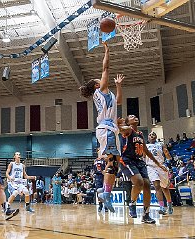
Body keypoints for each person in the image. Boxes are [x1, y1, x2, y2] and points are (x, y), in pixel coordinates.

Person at [79, 42, 124, 212]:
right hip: (106, 128)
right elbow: (105, 69)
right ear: (97, 85)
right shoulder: (101, 91)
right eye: (99, 80)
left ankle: (105, 191)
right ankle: (105, 193)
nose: (102, 79)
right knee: (112, 162)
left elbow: (119, 101)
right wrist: (107, 51)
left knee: (115, 163)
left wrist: (119, 85)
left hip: (111, 129)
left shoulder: (108, 94)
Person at [118, 115, 167, 223]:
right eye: (131, 116)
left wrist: (158, 163)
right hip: (127, 160)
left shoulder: (140, 134)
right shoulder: (128, 130)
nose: (134, 117)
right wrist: (117, 123)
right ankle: (132, 203)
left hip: (139, 161)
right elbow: (120, 129)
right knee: (139, 182)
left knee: (147, 185)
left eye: (135, 116)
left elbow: (146, 151)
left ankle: (146, 215)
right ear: (128, 122)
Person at [145, 131, 173, 215]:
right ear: (148, 138)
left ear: (156, 136)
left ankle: (169, 204)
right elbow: (143, 156)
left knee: (164, 188)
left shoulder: (161, 144)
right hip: (151, 166)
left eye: (153, 134)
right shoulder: (146, 146)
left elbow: (167, 154)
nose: (151, 135)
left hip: (161, 166)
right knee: (157, 186)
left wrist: (169, 161)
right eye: (150, 134)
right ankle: (162, 207)